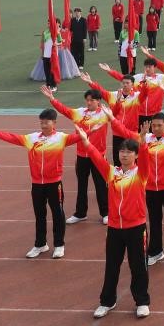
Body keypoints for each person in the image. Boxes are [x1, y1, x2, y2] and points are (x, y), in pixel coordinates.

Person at [0, 111, 80, 259]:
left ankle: (59, 245)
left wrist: (92, 129)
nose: (43, 125)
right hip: (37, 184)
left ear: (54, 123)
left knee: (57, 214)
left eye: (46, 122)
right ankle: (41, 244)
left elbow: (79, 137)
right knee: (39, 215)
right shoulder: (32, 138)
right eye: (41, 122)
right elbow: (12, 138)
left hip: (54, 183)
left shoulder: (61, 138)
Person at [77, 125, 152, 320]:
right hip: (114, 228)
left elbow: (146, 160)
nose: (124, 155)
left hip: (136, 227)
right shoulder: (112, 173)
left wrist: (143, 141)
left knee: (138, 266)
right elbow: (96, 157)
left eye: (129, 152)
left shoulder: (141, 174)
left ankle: (142, 302)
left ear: (135, 155)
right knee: (112, 266)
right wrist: (85, 141)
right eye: (122, 151)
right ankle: (107, 301)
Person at [108, 109, 164, 266]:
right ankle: (156, 252)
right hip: (150, 189)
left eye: (159, 125)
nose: (156, 128)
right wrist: (111, 118)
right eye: (154, 125)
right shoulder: (144, 138)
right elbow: (124, 131)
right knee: (154, 221)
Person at [41, 85, 110, 225]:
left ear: (98, 101)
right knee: (82, 185)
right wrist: (52, 99)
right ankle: (80, 213)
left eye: (91, 100)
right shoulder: (79, 113)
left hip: (98, 155)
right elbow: (64, 110)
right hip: (82, 156)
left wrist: (119, 100)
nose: (88, 102)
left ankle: (106, 213)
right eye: (87, 100)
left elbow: (119, 111)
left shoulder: (104, 113)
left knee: (101, 185)